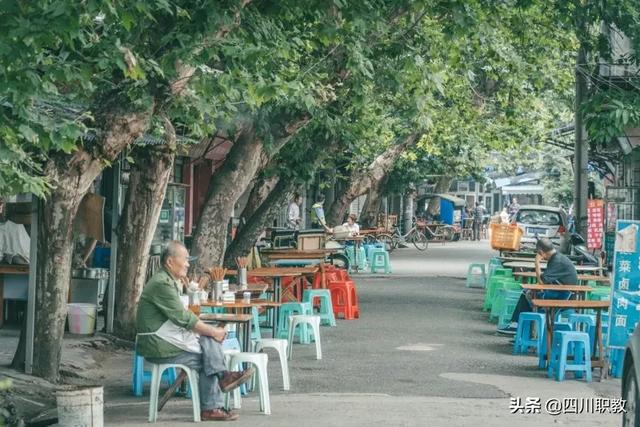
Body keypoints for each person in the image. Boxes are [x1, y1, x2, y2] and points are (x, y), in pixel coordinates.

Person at [136, 241, 254, 421]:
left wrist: (210, 331)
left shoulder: (169, 281)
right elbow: (184, 319)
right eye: (184, 259)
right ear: (169, 262)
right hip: (157, 345)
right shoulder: (162, 284)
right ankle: (213, 403)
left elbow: (186, 318)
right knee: (206, 356)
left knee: (207, 339)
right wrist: (214, 332)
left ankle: (220, 387)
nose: (188, 264)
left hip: (168, 339)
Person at [498, 238, 578, 334]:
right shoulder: (557, 258)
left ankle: (518, 327)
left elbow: (541, 282)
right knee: (529, 293)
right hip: (561, 293)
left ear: (541, 252)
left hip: (564, 297)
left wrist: (537, 263)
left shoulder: (556, 261)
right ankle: (522, 329)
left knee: (527, 294)